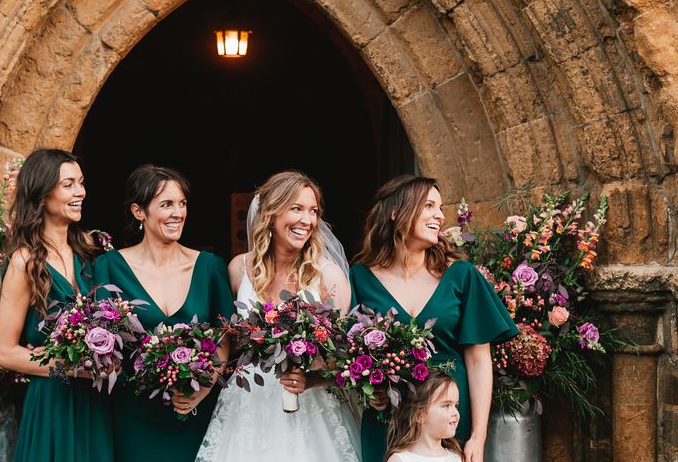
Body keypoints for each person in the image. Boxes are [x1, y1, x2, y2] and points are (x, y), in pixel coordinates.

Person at [196, 170, 361, 462]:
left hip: (309, 404)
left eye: (312, 211)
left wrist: (310, 379)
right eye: (296, 209)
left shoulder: (328, 276)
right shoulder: (239, 269)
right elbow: (229, 343)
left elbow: (344, 357)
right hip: (248, 403)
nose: (307, 221)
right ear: (271, 213)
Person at [350, 176, 518, 462]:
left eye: (440, 208)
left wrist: (478, 435)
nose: (439, 216)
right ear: (394, 212)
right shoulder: (360, 278)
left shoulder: (462, 276)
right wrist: (368, 390)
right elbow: (350, 355)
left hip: (449, 423)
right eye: (428, 206)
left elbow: (478, 360)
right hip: (388, 421)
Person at [93, 164, 234, 461]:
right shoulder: (108, 267)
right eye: (167, 204)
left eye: (182, 204)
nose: (178, 213)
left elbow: (224, 342)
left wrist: (204, 388)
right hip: (133, 417)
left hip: (194, 413)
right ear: (138, 211)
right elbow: (102, 345)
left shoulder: (210, 267)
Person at [0, 148, 113, 462]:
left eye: (81, 183)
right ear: (42, 194)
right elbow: (4, 351)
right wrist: (67, 370)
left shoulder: (88, 249)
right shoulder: (25, 261)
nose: (80, 192)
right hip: (51, 398)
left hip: (94, 401)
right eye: (69, 184)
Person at [384, 371, 464, 462]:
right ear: (419, 415)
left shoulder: (456, 457)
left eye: (456, 405)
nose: (455, 412)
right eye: (446, 405)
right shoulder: (400, 459)